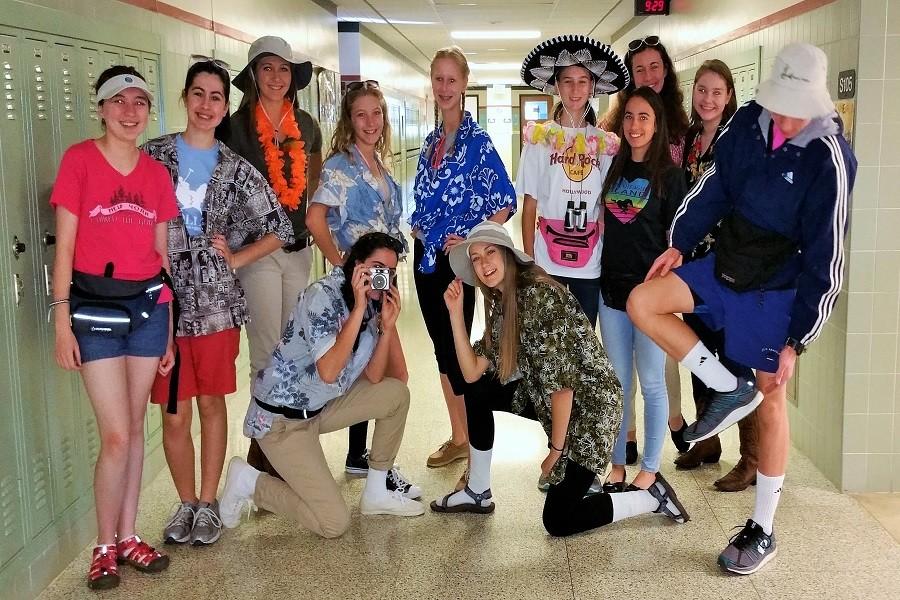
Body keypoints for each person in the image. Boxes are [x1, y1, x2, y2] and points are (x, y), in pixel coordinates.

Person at [627, 43, 857, 574]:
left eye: (792, 105)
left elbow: (828, 256)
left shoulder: (830, 157)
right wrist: (680, 241)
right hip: (726, 263)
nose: (781, 115)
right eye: (776, 102)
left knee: (772, 396)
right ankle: (728, 387)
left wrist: (798, 338)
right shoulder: (750, 121)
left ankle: (763, 528)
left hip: (776, 287)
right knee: (645, 301)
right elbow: (715, 187)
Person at [428, 221, 689, 536]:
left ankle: (648, 498)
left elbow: (563, 387)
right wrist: (456, 315)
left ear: (508, 255)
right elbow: (471, 373)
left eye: (491, 252)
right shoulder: (502, 303)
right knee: (480, 390)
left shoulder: (540, 296)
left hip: (592, 411)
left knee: (559, 519)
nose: (484, 263)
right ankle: (478, 491)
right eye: (476, 258)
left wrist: (554, 451)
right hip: (548, 400)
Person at [142, 58, 294, 546]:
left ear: (224, 106)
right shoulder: (154, 157)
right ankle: (184, 501)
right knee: (173, 410)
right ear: (185, 98)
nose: (206, 105)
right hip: (162, 303)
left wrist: (238, 257)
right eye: (198, 94)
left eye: (215, 97)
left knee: (210, 403)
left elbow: (282, 226)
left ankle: (208, 503)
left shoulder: (235, 169)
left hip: (215, 305)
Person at [50, 66, 177, 589]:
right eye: (118, 102)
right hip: (95, 313)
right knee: (118, 435)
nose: (130, 112)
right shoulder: (79, 161)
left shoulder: (155, 174)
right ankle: (104, 544)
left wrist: (168, 329)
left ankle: (128, 536)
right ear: (100, 108)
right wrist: (61, 318)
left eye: (140, 102)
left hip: (149, 310)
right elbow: (65, 246)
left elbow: (162, 254)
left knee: (134, 428)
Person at [218, 233, 425, 538]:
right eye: (376, 267)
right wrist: (356, 310)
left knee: (395, 394)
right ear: (356, 265)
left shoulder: (372, 304)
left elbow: (377, 377)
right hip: (281, 422)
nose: (383, 278)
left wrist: (386, 328)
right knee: (333, 523)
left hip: (318, 408)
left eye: (390, 272)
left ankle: (377, 490)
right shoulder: (323, 297)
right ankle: (250, 482)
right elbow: (328, 371)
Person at [410, 46, 516, 475]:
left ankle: (476, 447)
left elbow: (505, 202)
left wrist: (474, 239)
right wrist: (418, 229)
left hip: (456, 260)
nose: (445, 88)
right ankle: (458, 438)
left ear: (464, 84)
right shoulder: (431, 143)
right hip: (425, 258)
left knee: (457, 347)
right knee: (440, 349)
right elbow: (420, 199)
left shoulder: (479, 142)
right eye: (438, 79)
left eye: (452, 80)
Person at [227, 36, 323, 479]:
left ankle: (282, 443)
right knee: (265, 352)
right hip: (258, 252)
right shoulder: (236, 127)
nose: (276, 77)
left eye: (284, 69)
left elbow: (313, 190)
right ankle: (262, 450)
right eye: (267, 68)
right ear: (252, 76)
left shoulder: (305, 122)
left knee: (292, 351)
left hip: (298, 251)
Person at [306, 79, 411, 477]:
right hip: (364, 284)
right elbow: (315, 219)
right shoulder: (339, 167)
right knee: (390, 373)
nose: (370, 122)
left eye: (376, 113)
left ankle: (360, 458)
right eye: (361, 114)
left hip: (387, 281)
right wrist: (342, 263)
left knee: (376, 368)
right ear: (349, 121)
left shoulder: (379, 166)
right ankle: (369, 461)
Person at [601, 35, 692, 461]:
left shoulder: (671, 177)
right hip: (611, 292)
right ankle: (618, 465)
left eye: (644, 118)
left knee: (653, 383)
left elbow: (679, 241)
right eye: (630, 117)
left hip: (650, 295)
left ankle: (651, 470)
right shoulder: (612, 166)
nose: (635, 125)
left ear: (656, 124)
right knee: (619, 383)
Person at [673, 59, 759, 493]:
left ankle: (752, 459)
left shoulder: (738, 142)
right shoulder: (687, 141)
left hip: (729, 267)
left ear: (729, 97)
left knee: (737, 358)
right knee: (700, 352)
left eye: (716, 92)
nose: (707, 99)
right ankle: (707, 441)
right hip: (693, 264)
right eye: (701, 90)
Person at [517, 35, 629, 329]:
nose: (575, 89)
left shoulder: (606, 144)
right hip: (546, 259)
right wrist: (530, 262)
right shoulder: (540, 139)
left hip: (589, 261)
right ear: (556, 86)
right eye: (568, 81)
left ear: (592, 86)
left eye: (582, 81)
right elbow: (529, 205)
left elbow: (605, 207)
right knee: (546, 341)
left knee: (583, 341)